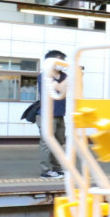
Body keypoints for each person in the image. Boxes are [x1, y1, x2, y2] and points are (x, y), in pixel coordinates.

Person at [37, 49, 69, 179]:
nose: (63, 63)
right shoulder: (45, 75)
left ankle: (57, 168)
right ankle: (46, 170)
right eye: (60, 59)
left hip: (59, 113)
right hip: (46, 114)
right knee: (46, 142)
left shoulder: (63, 75)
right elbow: (58, 88)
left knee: (59, 141)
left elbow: (66, 88)